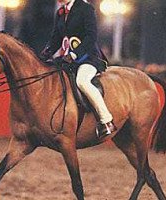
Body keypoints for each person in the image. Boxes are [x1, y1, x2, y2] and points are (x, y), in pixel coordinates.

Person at [40, 0, 116, 138]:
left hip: (88, 58)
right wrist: (44, 54)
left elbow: (91, 37)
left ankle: (106, 120)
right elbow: (56, 38)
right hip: (68, 60)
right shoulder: (61, 13)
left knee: (82, 81)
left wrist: (75, 54)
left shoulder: (86, 9)